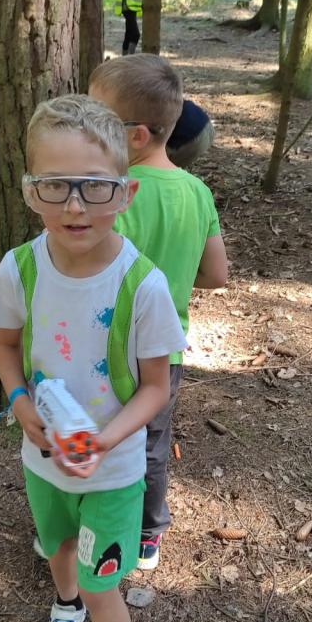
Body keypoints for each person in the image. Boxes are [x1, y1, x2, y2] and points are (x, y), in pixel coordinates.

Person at [0, 95, 186, 622]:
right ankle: (62, 603)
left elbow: (156, 387)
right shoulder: (19, 268)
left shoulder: (143, 286)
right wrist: (20, 405)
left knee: (105, 590)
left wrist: (106, 439)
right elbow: (5, 346)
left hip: (114, 472)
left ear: (125, 193)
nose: (75, 206)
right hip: (43, 460)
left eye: (94, 187)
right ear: (29, 191)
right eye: (56, 186)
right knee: (58, 547)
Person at [89, 54, 228, 571]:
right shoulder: (197, 192)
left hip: (105, 342)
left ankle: (92, 522)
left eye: (99, 119)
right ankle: (148, 534)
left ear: (137, 136)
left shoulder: (116, 194)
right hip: (164, 349)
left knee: (98, 431)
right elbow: (216, 274)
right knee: (150, 441)